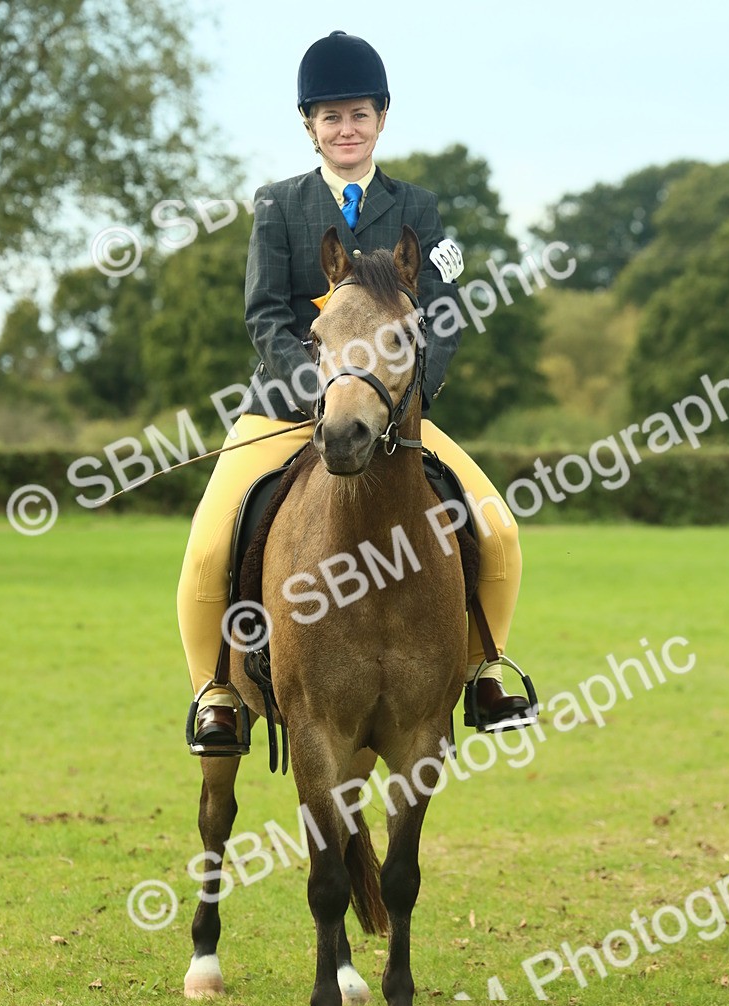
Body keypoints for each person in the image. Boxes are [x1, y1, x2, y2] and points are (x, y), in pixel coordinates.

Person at [177, 30, 535, 752]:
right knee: (209, 550)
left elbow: (443, 314)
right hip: (286, 411)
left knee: (497, 534)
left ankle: (481, 672)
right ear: (309, 125)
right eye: (331, 116)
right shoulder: (278, 205)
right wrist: (323, 389)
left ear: (381, 120)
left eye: (359, 115)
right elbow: (266, 315)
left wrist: (402, 401)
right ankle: (216, 692)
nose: (346, 128)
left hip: (396, 415)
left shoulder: (420, 207)